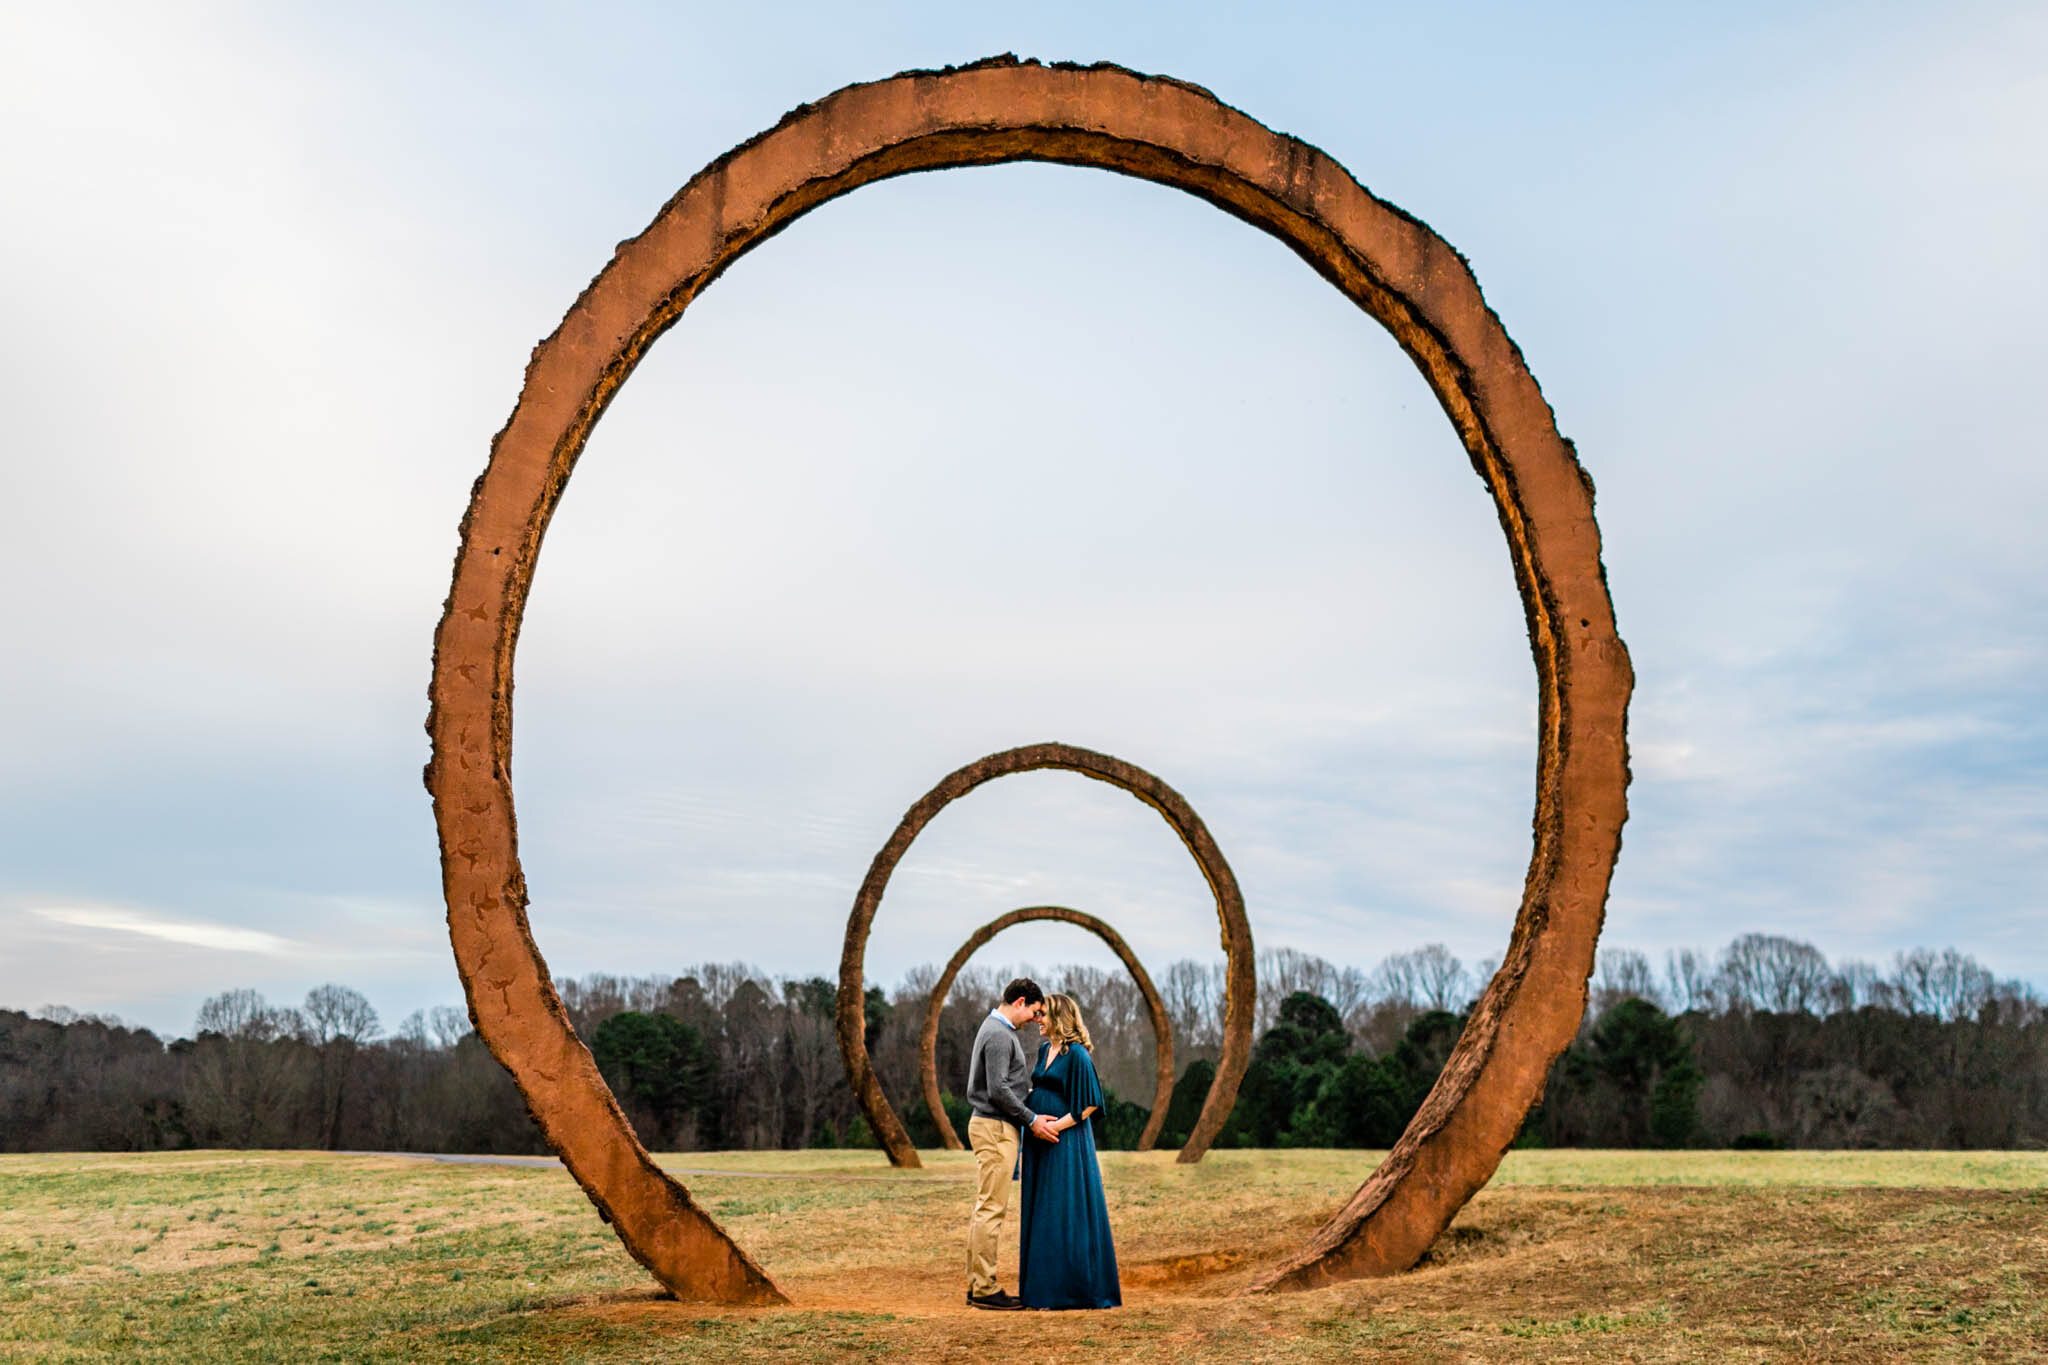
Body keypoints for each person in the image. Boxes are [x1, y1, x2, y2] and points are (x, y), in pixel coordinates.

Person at [1017, 993, 1121, 1310]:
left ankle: (1070, 1290)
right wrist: (1033, 1123)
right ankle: (1041, 1289)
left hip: (1065, 1143)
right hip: (1038, 1140)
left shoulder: (1077, 1055)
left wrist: (1053, 1128)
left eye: (1044, 1015)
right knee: (1041, 1209)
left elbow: (1089, 1104)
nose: (1038, 1020)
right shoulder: (1043, 1050)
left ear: (1060, 1018)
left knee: (1062, 1209)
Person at [965, 977, 1061, 1310]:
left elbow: (1008, 1087)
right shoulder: (997, 1034)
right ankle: (984, 1289)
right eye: (1034, 1012)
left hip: (995, 1126)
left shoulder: (998, 1031)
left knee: (986, 1208)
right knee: (991, 1209)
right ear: (1020, 1002)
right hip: (994, 1128)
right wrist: (1032, 1120)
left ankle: (977, 1284)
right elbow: (998, 1090)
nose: (1036, 1020)